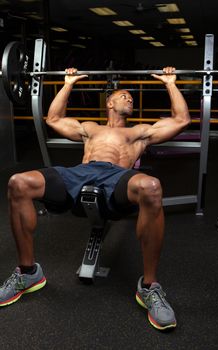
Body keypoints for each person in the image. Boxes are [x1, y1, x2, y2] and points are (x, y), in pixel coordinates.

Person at [0, 66, 190, 331]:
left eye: (131, 98)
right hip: (80, 174)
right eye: (124, 96)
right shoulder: (89, 128)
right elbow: (54, 119)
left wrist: (170, 83)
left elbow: (181, 120)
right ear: (109, 102)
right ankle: (27, 274)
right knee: (18, 182)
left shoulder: (140, 131)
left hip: (116, 178)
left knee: (151, 187)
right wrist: (68, 83)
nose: (130, 99)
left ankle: (149, 287)